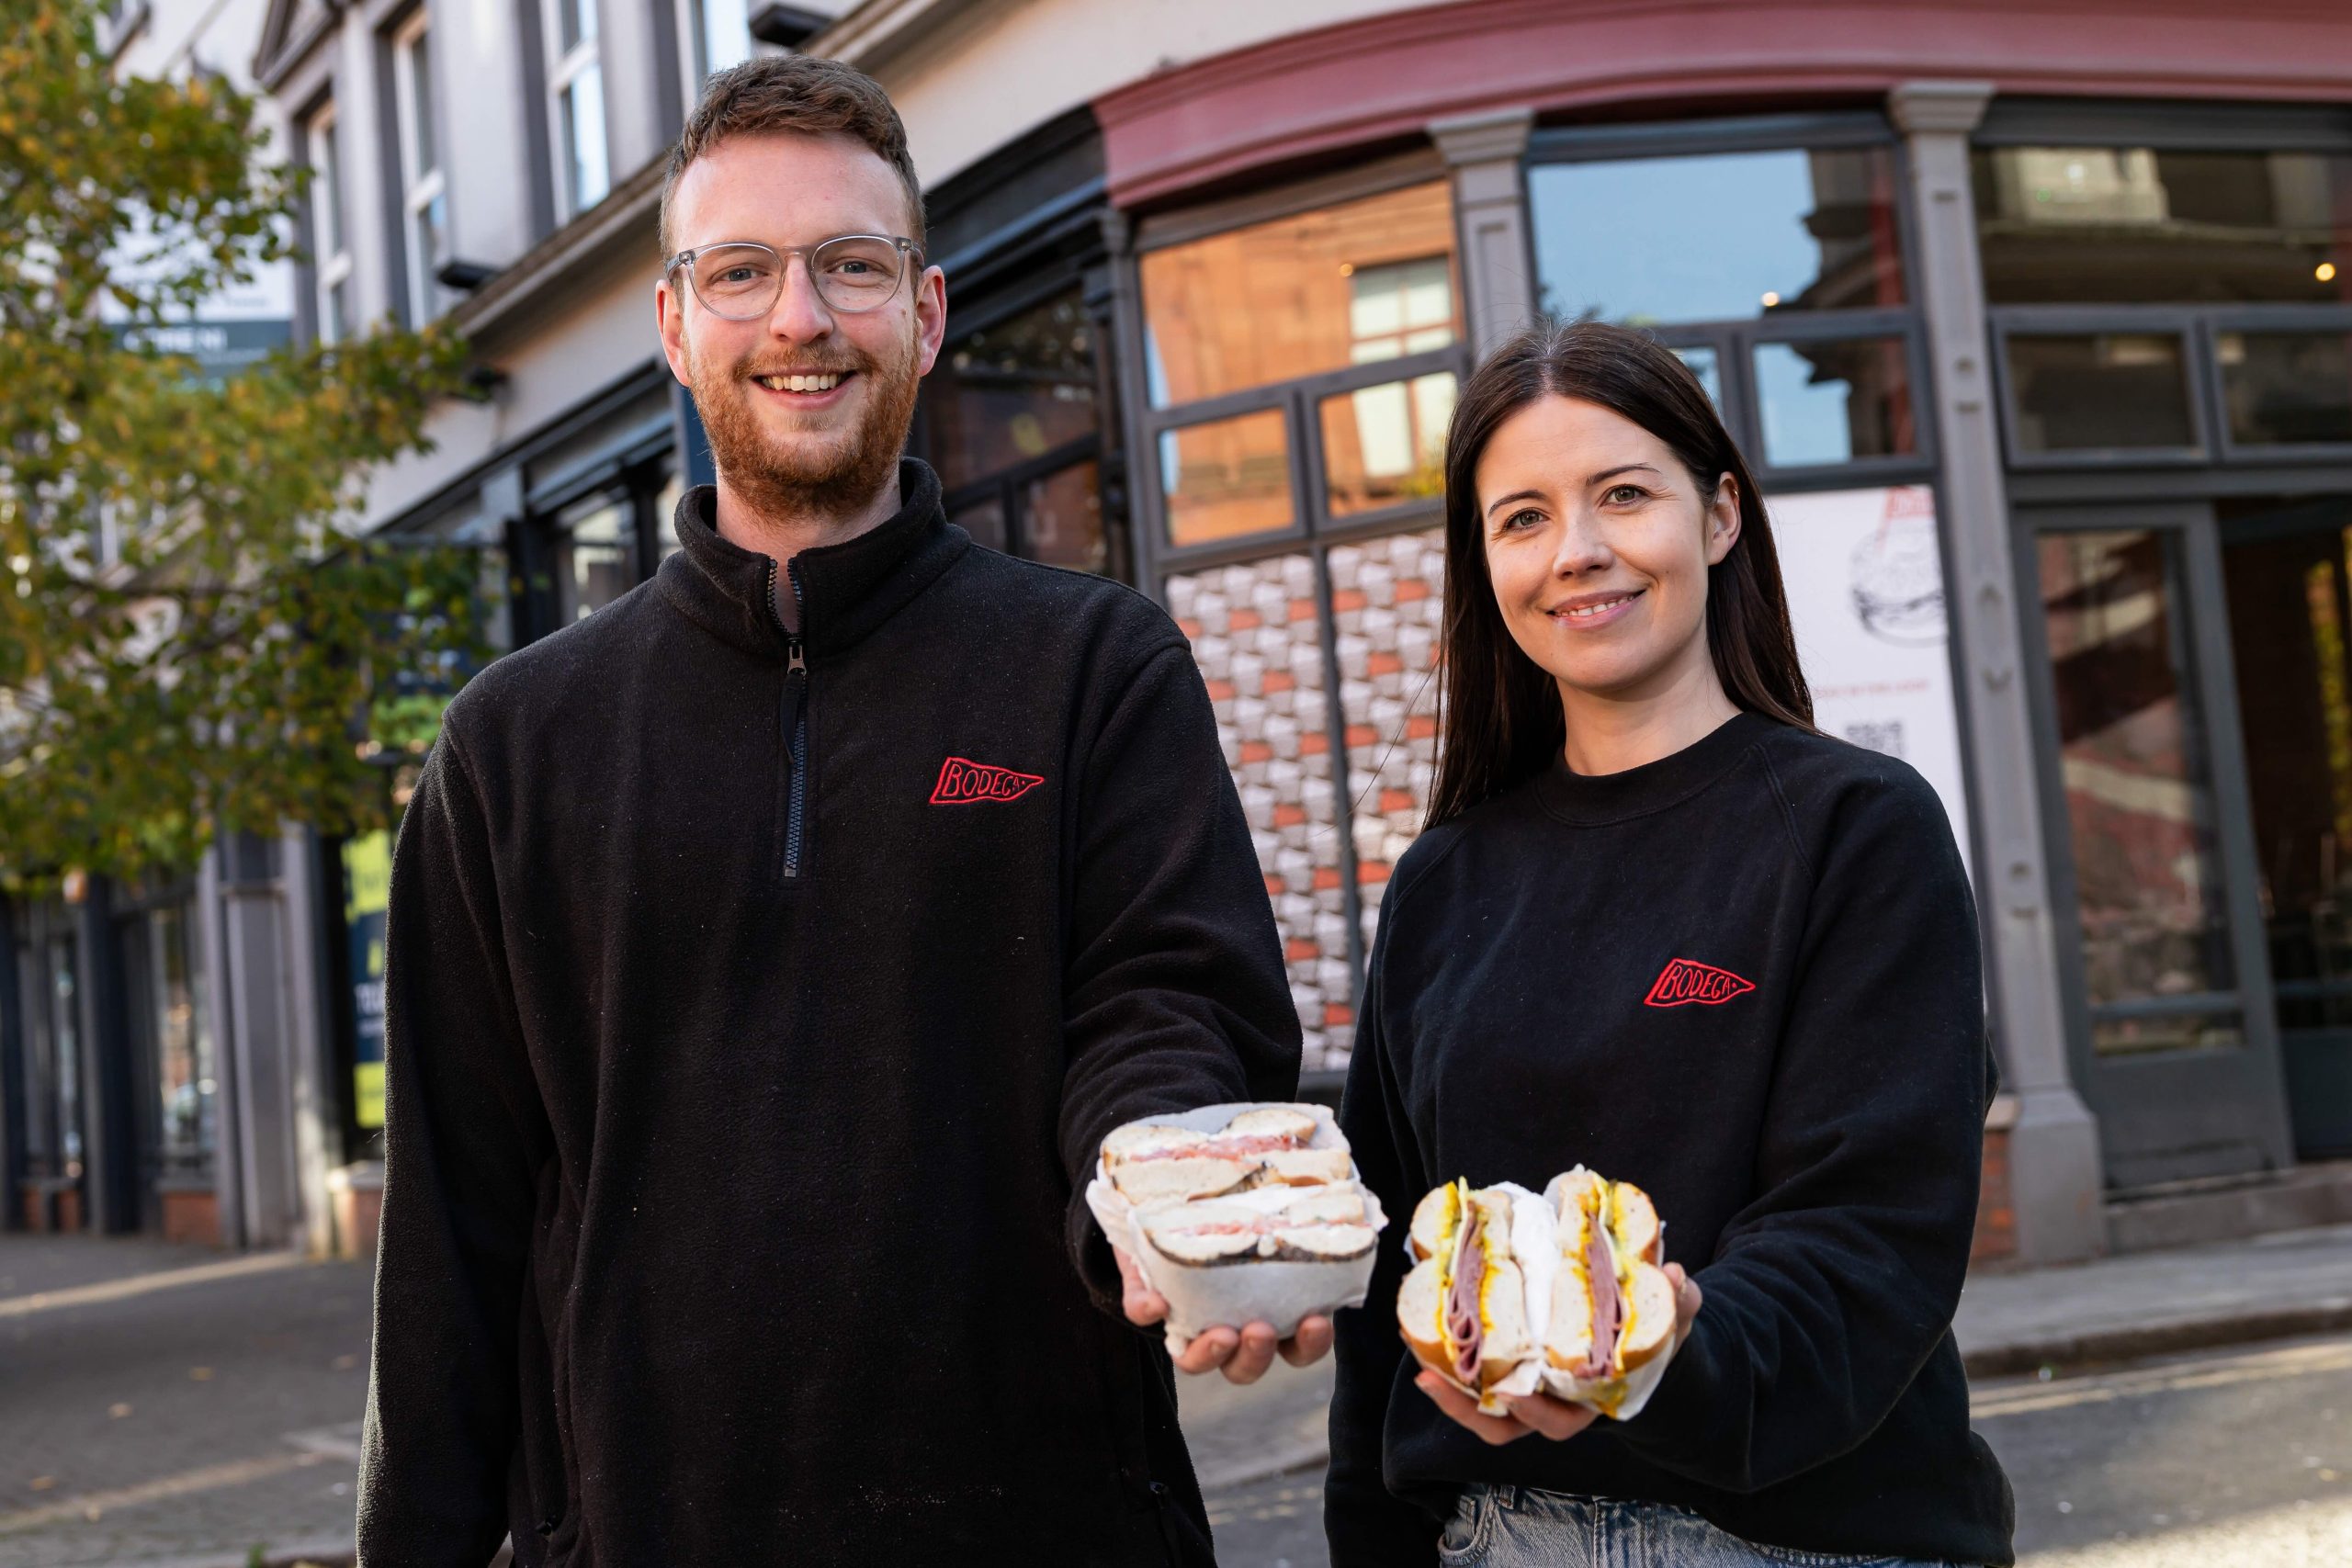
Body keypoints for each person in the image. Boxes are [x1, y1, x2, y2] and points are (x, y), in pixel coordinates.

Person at [357, 56, 1321, 1567]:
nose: (799, 317)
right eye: (740, 271)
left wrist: (1168, 1197)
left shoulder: (1092, 667)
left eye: (850, 266)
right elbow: (451, 1236)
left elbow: (1169, 1008)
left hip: (1049, 1523)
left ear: (924, 314)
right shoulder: (512, 747)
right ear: (676, 326)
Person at [1323, 319, 2015, 1568]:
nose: (1578, 552)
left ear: (1720, 516)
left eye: (1624, 494)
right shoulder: (1443, 882)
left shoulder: (1855, 828)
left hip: (1814, 1534)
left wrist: (1669, 1354)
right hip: (1497, 1536)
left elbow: (1871, 1230)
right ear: (1483, 567)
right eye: (1522, 517)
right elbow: (1391, 1283)